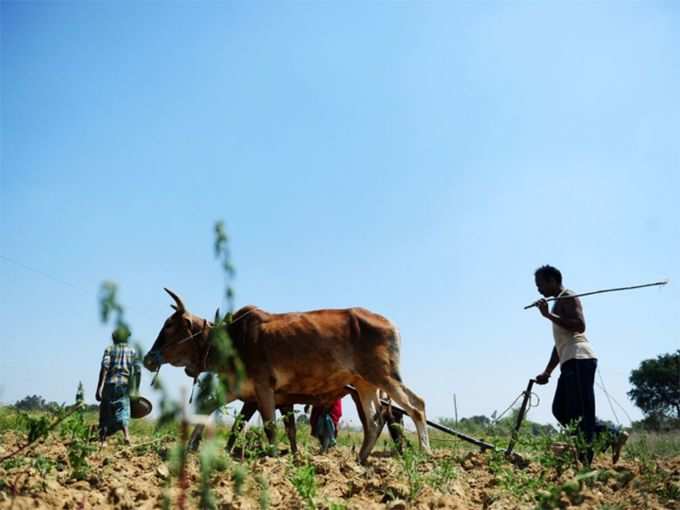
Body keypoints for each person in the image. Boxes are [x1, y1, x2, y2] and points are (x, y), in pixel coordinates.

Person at [532, 265, 628, 464]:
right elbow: (560, 343)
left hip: (579, 359)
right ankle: (610, 434)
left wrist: (548, 315)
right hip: (569, 359)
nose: (538, 290)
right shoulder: (559, 302)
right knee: (560, 409)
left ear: (552, 281)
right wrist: (548, 371)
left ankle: (585, 459)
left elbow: (579, 325)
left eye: (540, 285)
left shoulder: (568, 297)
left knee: (580, 412)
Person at [96, 326, 141, 445]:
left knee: (105, 410)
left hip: (110, 383)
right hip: (124, 385)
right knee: (124, 409)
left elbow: (104, 368)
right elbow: (137, 370)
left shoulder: (109, 349)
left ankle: (104, 440)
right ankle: (126, 435)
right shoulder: (132, 351)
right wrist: (136, 389)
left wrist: (99, 388)